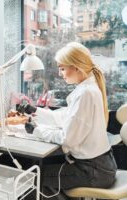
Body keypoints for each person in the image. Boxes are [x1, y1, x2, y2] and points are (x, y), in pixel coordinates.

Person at [21, 42, 117, 199]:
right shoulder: (87, 89)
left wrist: (37, 131)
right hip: (100, 166)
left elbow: (68, 140)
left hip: (93, 170)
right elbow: (63, 117)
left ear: (76, 67)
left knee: (32, 177)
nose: (60, 73)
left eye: (62, 68)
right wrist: (34, 110)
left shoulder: (86, 93)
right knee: (40, 171)